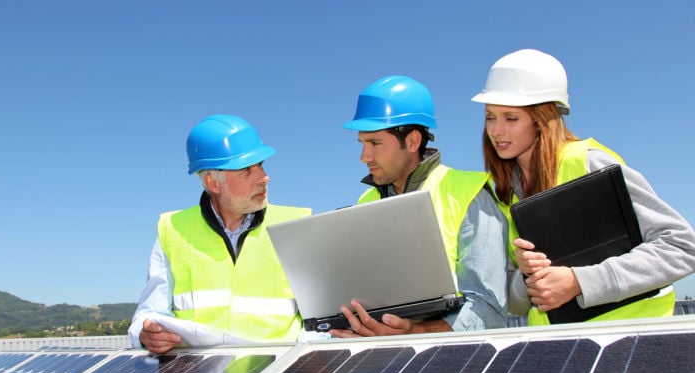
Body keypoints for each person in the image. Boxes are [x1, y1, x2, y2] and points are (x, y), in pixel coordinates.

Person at [471, 48, 695, 325]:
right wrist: (525, 276)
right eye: (490, 116)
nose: (496, 130)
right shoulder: (505, 195)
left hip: (629, 340)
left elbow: (682, 247)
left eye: (511, 118)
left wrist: (580, 282)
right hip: (555, 346)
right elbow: (514, 304)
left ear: (541, 120)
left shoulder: (590, 163)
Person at [330, 75, 511, 338]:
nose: (364, 157)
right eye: (362, 144)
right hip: (376, 362)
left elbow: (489, 310)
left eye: (375, 143)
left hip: (450, 365)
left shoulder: (468, 194)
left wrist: (416, 332)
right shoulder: (365, 203)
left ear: (413, 142)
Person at [127, 114, 311, 353]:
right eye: (246, 170)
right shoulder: (172, 229)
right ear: (213, 183)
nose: (264, 178)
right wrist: (145, 333)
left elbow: (322, 319)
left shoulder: (296, 225)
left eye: (261, 165)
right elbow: (150, 312)